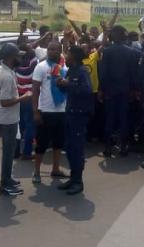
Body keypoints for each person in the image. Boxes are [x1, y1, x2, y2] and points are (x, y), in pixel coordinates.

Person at [0, 43, 32, 196]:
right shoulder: (6, 75)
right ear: (10, 58)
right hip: (7, 119)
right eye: (17, 56)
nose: (20, 58)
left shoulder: (3, 70)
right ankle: (4, 185)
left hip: (5, 118)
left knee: (9, 152)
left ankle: (8, 179)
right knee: (8, 153)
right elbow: (5, 101)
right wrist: (24, 97)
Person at [55, 46, 94, 195]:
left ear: (75, 57)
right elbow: (69, 90)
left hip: (79, 115)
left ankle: (78, 182)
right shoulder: (71, 70)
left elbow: (87, 91)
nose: (66, 56)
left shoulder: (83, 71)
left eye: (68, 54)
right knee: (70, 148)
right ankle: (73, 178)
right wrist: (61, 85)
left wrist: (68, 84)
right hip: (70, 113)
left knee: (77, 149)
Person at [32, 41, 68, 183]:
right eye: (50, 49)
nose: (53, 51)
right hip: (45, 111)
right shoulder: (40, 67)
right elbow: (34, 90)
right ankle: (36, 171)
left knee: (58, 143)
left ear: (60, 51)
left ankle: (56, 169)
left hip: (61, 111)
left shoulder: (64, 68)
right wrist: (35, 112)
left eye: (56, 49)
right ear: (47, 51)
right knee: (41, 144)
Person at [99, 25, 138, 157]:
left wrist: (101, 90)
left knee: (109, 118)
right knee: (123, 119)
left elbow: (103, 73)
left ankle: (108, 147)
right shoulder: (131, 52)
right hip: (125, 90)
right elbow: (133, 74)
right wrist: (133, 90)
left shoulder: (108, 51)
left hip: (110, 90)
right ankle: (123, 147)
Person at [15, 22, 38, 160]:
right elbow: (31, 49)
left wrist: (21, 32)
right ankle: (27, 152)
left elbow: (22, 46)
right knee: (30, 126)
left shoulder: (17, 64)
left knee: (20, 126)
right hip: (30, 97)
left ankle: (16, 151)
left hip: (19, 97)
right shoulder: (33, 62)